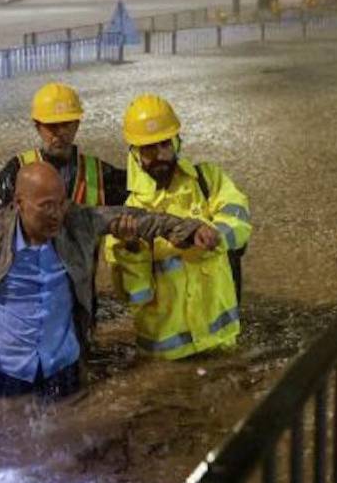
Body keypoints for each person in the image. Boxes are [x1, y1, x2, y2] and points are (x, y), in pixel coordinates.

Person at [0, 162, 204, 397]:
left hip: (62, 366)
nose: (57, 214)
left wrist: (190, 230)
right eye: (46, 206)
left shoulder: (77, 222)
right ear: (19, 204)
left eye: (61, 202)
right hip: (3, 367)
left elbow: (140, 218)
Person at [104, 95, 252, 359]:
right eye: (148, 149)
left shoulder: (208, 180)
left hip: (222, 341)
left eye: (164, 144)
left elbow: (240, 219)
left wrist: (216, 235)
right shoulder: (128, 215)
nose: (159, 155)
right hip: (167, 359)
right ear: (135, 155)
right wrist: (130, 248)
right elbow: (136, 296)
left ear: (177, 142)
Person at [0, 82, 128, 211]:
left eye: (66, 124)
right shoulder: (18, 169)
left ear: (77, 125)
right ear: (38, 127)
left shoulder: (99, 173)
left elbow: (137, 193)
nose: (60, 133)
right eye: (52, 126)